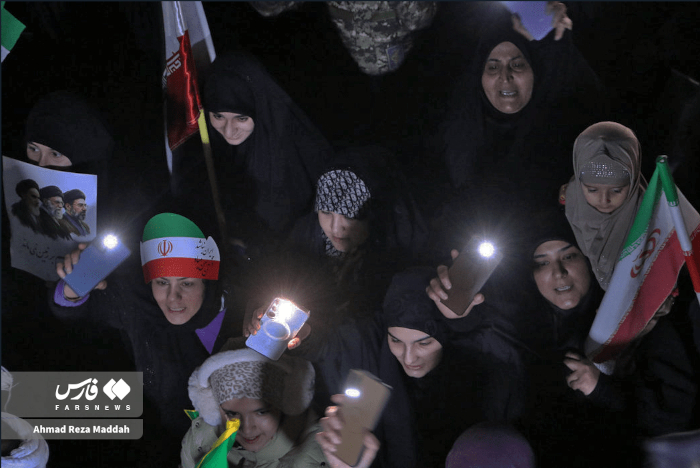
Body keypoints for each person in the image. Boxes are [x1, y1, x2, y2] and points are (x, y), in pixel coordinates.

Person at [51, 213, 238, 465]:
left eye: (187, 284)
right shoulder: (139, 307)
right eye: (162, 282)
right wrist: (74, 284)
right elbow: (70, 309)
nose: (173, 298)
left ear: (207, 282)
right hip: (158, 434)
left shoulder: (236, 317)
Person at [435, 2, 604, 208]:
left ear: (535, 73)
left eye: (517, 64)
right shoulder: (458, 141)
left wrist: (556, 42)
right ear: (479, 78)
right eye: (492, 67)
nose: (505, 76)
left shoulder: (566, 133)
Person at [176, 51, 332, 250]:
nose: (229, 131)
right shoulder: (205, 155)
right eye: (218, 116)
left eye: (241, 118)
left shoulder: (297, 145)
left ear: (259, 109)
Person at [181, 340, 327, 468]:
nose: (247, 429)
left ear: (285, 403)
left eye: (261, 412)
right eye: (231, 413)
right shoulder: (200, 441)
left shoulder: (324, 452)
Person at [563, 121, 646, 290]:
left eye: (616, 190)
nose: (604, 200)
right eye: (592, 190)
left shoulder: (654, 216)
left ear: (633, 182)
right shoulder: (569, 206)